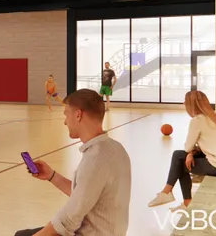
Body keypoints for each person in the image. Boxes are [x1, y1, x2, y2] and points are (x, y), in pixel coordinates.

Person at [14, 89, 131, 236]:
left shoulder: (96, 159)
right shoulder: (115, 149)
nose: (65, 122)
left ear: (78, 115)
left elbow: (67, 220)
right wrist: (51, 175)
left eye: (66, 114)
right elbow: (84, 196)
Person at [148, 90, 216, 210]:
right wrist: (191, 153)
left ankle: (170, 194)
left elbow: (187, 147)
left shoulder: (197, 121)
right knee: (180, 156)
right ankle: (173, 195)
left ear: (191, 105)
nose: (184, 104)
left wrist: (190, 152)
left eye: (185, 102)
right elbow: (199, 148)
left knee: (179, 160)